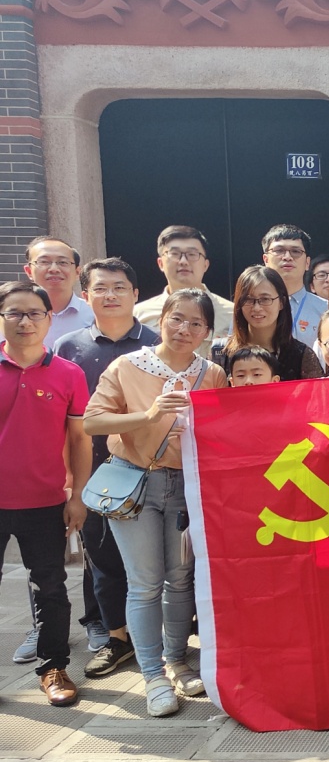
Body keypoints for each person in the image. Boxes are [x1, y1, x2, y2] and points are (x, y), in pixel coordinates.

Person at [84, 288, 228, 717]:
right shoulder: (127, 366)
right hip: (136, 484)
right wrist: (148, 416)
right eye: (177, 318)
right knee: (145, 582)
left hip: (187, 488)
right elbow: (92, 421)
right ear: (161, 318)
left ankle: (177, 661)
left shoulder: (212, 373)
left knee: (180, 579)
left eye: (196, 323)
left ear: (207, 331)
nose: (185, 329)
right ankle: (152, 675)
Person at [53, 258, 159, 680]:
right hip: (94, 474)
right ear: (86, 295)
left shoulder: (157, 344)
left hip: (153, 471)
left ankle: (165, 642)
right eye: (100, 288)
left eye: (119, 287)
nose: (110, 295)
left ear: (136, 294)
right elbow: (62, 421)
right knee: (104, 561)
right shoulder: (68, 347)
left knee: (160, 566)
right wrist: (69, 481)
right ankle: (117, 637)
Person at [0, 280, 92, 706]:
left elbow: (80, 440)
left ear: (49, 318)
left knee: (51, 587)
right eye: (15, 312)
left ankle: (53, 667)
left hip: (45, 501)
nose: (26, 321)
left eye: (35, 313)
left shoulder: (68, 374)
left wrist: (78, 496)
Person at [134, 226, 233, 357]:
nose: (183, 261)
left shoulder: (232, 314)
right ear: (160, 263)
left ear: (205, 265)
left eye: (192, 254)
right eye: (174, 254)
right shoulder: (138, 314)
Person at [211, 266, 322, 381]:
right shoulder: (222, 354)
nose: (256, 308)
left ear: (282, 302)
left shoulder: (301, 356)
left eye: (265, 299)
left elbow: (319, 392)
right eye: (248, 299)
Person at [261, 224, 326, 348]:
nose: (287, 257)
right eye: (279, 250)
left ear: (307, 263)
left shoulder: (325, 310)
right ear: (266, 260)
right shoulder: (251, 306)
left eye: (295, 251)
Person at [23, 237, 91, 344]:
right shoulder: (9, 317)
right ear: (29, 271)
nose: (54, 269)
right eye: (44, 262)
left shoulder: (95, 315)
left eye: (63, 262)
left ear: (77, 272)